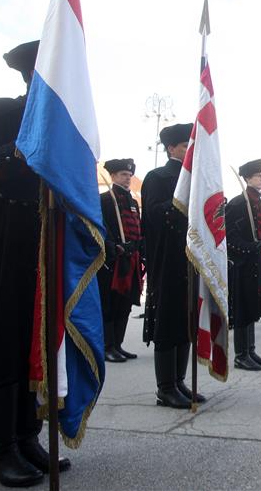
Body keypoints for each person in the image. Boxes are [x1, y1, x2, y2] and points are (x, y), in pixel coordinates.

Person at [0, 40, 70, 487]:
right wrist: (23, 147)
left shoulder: (65, 124)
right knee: (4, 340)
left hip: (46, 243)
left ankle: (28, 435)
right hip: (4, 239)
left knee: (37, 340)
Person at [141, 123, 206, 409]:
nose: (189, 151)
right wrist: (180, 203)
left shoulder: (197, 179)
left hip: (190, 260)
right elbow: (154, 215)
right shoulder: (158, 177)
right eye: (184, 146)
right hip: (167, 260)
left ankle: (179, 381)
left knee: (186, 322)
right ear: (171, 148)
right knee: (168, 323)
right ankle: (165, 387)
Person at [225, 159, 261, 371]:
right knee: (243, 309)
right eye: (257, 175)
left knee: (253, 307)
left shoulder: (258, 200)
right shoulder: (238, 203)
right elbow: (229, 236)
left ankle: (250, 350)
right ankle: (240, 355)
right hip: (242, 264)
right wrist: (250, 247)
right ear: (246, 178)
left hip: (257, 262)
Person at [98, 158, 144, 363]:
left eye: (129, 175)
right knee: (111, 303)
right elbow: (102, 228)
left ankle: (118, 344)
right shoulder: (105, 199)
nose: (127, 178)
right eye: (124, 175)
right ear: (113, 176)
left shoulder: (132, 201)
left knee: (125, 303)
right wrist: (113, 246)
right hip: (114, 260)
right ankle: (107, 346)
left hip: (131, 258)